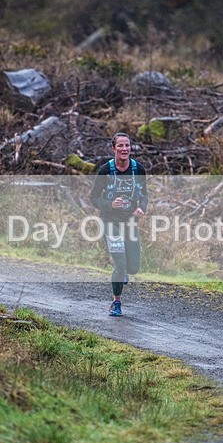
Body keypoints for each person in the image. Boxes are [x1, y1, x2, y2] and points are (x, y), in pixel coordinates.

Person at [89, 133, 148, 317]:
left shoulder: (138, 169)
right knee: (121, 264)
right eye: (120, 146)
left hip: (130, 222)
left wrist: (141, 209)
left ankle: (119, 265)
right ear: (113, 148)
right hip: (110, 221)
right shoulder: (106, 170)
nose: (124, 149)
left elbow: (144, 194)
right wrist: (110, 204)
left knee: (133, 268)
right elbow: (93, 198)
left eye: (127, 146)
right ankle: (116, 303)